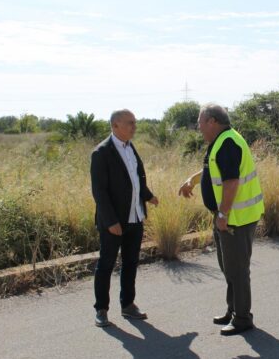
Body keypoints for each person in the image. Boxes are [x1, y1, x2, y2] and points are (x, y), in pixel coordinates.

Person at [178, 103, 264, 336]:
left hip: (236, 217)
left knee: (237, 269)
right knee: (228, 267)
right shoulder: (222, 141)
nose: (198, 127)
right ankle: (233, 310)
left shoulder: (227, 142)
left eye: (200, 122)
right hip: (228, 216)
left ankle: (243, 318)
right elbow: (212, 169)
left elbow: (231, 182)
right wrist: (192, 181)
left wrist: (224, 214)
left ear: (212, 122)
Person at [90, 109, 159, 327]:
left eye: (134, 123)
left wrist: (149, 196)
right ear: (115, 125)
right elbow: (99, 191)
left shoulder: (131, 148)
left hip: (135, 217)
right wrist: (111, 222)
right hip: (114, 222)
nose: (134, 127)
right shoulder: (101, 153)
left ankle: (128, 305)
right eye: (130, 123)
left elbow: (135, 179)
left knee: (131, 262)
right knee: (106, 264)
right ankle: (101, 309)